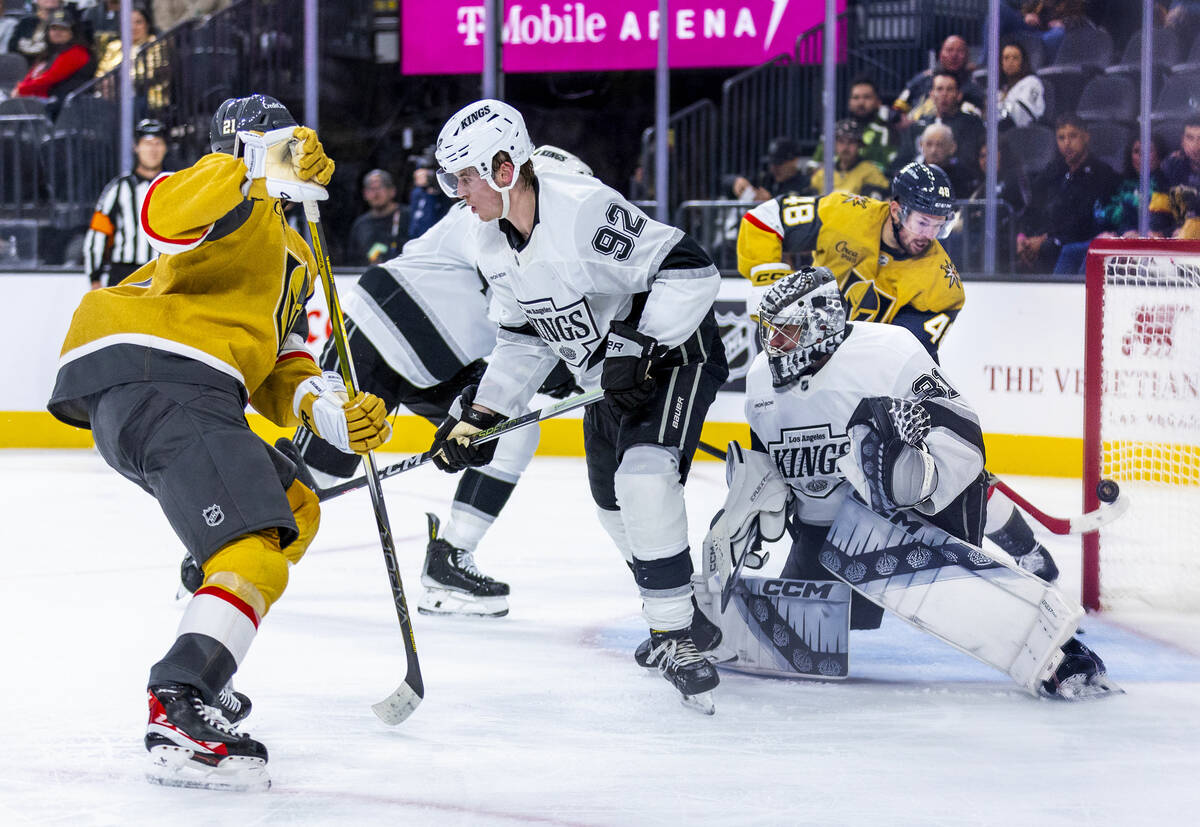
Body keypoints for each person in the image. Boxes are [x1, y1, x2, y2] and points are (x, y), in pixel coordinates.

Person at [46, 94, 389, 790]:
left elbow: (281, 362)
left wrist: (331, 414)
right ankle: (179, 697)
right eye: (277, 141)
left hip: (183, 390)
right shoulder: (226, 193)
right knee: (251, 552)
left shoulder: (294, 249)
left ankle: (211, 643)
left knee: (296, 505)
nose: (295, 152)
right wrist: (253, 164)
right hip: (162, 373)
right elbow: (163, 215)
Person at [429, 99, 729, 711]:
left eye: (466, 176)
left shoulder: (582, 212)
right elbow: (522, 340)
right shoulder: (490, 241)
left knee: (645, 478)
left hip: (675, 353)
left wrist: (637, 343)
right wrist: (480, 415)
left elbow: (692, 271)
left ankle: (673, 633)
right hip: (609, 374)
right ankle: (685, 615)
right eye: (453, 178)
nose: (459, 192)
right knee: (612, 504)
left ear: (505, 168)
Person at [700, 266, 1115, 699]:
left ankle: (1059, 657)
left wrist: (913, 482)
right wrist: (747, 506)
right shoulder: (761, 379)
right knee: (793, 629)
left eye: (784, 332)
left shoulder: (887, 351)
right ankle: (690, 630)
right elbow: (767, 465)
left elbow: (964, 438)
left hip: (898, 519)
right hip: (822, 533)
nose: (772, 345)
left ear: (819, 324)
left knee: (959, 598)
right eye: (769, 332)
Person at [292, 144, 594, 619]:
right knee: (318, 478)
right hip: (383, 329)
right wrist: (567, 362)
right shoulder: (493, 214)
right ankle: (234, 546)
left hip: (442, 358)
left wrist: (566, 363)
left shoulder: (530, 226)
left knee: (510, 432)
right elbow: (517, 297)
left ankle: (449, 558)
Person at [737, 162, 1064, 582]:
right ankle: (764, 535)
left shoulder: (941, 284)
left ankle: (1027, 549)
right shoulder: (845, 212)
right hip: (806, 361)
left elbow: (908, 355)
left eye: (940, 225)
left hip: (864, 374)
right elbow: (762, 220)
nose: (929, 234)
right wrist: (768, 282)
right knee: (777, 447)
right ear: (895, 209)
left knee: (953, 469)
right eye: (922, 221)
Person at [1016, 115, 1120, 274]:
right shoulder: (1053, 169)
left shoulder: (1101, 173)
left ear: (1086, 137)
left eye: (1073, 136)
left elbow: (1083, 221)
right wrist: (1022, 237)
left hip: (1074, 244)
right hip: (1042, 241)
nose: (1067, 143)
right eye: (1061, 138)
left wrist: (1044, 238)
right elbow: (1032, 208)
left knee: (1048, 249)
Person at [83, 118, 169, 289]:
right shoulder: (118, 188)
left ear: (165, 148)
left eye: (158, 143)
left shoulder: (174, 184)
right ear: (136, 147)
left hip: (165, 271)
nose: (153, 149)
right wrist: (95, 278)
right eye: (147, 143)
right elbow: (98, 233)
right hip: (124, 273)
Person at [892, 34, 984, 125]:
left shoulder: (973, 88)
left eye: (960, 51)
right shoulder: (922, 80)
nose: (954, 55)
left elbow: (979, 118)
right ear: (941, 54)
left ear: (967, 56)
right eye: (949, 50)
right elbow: (898, 109)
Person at [813, 76, 898, 174]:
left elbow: (890, 170)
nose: (861, 102)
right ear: (849, 102)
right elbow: (814, 167)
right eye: (856, 97)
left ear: (878, 102)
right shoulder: (833, 131)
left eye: (867, 97)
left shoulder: (888, 132)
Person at [906, 70, 986, 173]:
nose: (944, 94)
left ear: (958, 95)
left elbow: (971, 162)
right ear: (931, 95)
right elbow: (904, 159)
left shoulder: (972, 125)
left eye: (949, 89)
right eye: (939, 89)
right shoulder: (918, 126)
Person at [1097, 132, 1174, 237]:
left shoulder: (1167, 185)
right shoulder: (1119, 183)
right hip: (1119, 238)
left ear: (1159, 154)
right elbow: (1103, 215)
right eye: (1136, 151)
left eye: (1148, 151)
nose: (1142, 156)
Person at [12, 9, 94, 105]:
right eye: (54, 28)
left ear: (72, 32)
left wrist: (21, 90)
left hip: (66, 105)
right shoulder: (50, 52)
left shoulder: (78, 52)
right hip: (45, 100)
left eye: (63, 29)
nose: (57, 32)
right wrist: (21, 87)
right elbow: (33, 75)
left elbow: (50, 78)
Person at [807, 119, 890, 199]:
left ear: (859, 145)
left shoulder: (871, 171)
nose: (845, 147)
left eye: (851, 142)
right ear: (834, 145)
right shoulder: (823, 173)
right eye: (841, 141)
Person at [346, 169, 406, 266]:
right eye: (371, 189)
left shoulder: (408, 217)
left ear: (392, 191)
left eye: (380, 187)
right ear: (365, 193)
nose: (375, 193)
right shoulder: (360, 225)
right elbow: (353, 261)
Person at [731, 136, 810, 203]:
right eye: (772, 163)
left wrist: (770, 203)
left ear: (794, 161)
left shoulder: (805, 186)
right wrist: (738, 180)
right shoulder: (766, 178)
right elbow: (727, 181)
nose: (774, 168)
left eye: (779, 163)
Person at [910, 123, 977, 197]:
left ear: (952, 147)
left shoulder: (963, 176)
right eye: (929, 144)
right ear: (921, 146)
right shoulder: (913, 174)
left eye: (939, 145)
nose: (933, 151)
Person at [996, 40, 1045, 130]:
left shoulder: (1032, 83)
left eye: (1015, 58)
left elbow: (1022, 115)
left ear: (1023, 62)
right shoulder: (999, 89)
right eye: (1006, 58)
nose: (1010, 62)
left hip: (1024, 134)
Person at [408, 155, 452, 239]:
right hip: (416, 237)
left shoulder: (442, 194)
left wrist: (434, 185)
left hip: (438, 235)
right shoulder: (417, 193)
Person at [9, 0, 62, 66]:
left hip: (53, 66)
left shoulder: (69, 21)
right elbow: (12, 48)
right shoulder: (25, 22)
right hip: (23, 67)